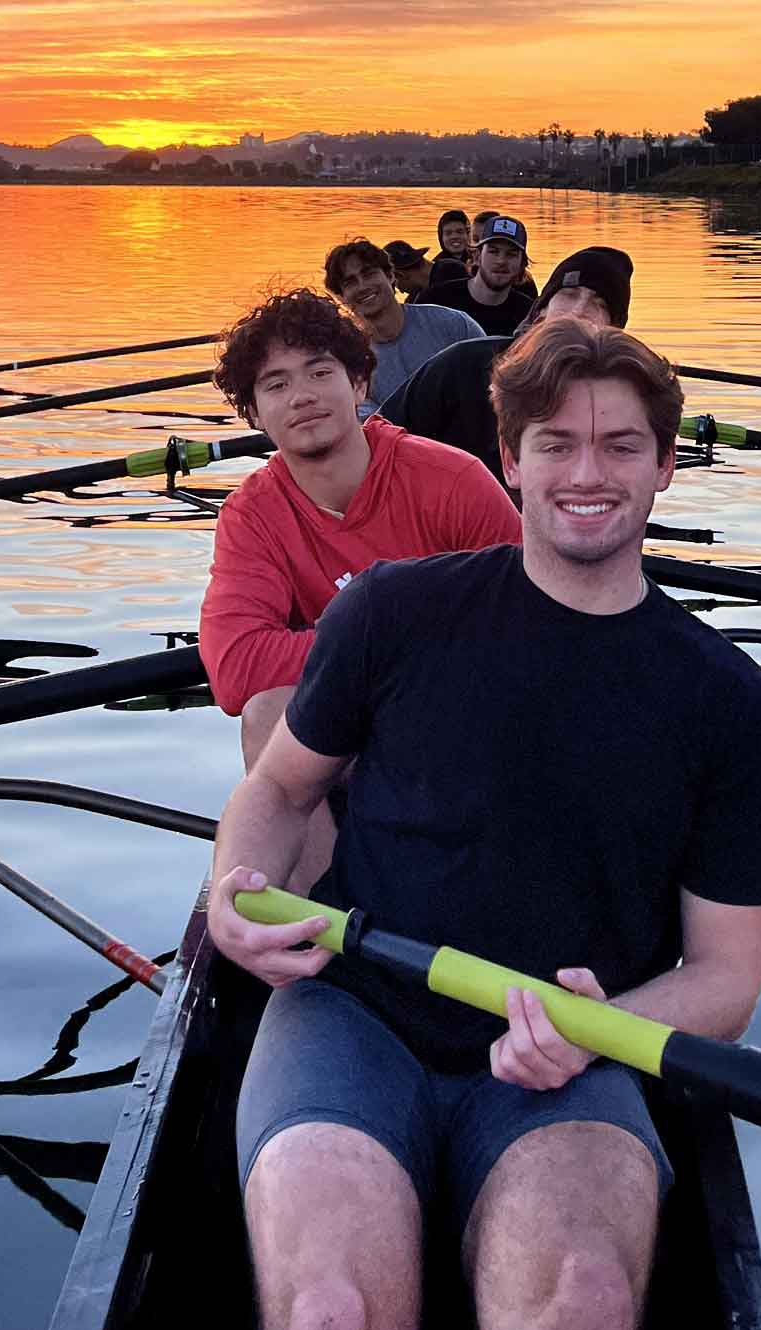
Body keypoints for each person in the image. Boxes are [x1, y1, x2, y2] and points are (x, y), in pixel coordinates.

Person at [207, 317, 761, 1330]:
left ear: (667, 467)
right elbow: (276, 790)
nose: (588, 475)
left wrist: (597, 1025)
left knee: (579, 1322)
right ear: (507, 461)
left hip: (568, 1052)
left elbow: (724, 982)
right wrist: (232, 902)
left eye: (623, 447)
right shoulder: (391, 616)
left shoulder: (727, 701)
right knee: (324, 1323)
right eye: (556, 445)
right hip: (355, 1016)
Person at [199, 287, 520, 884]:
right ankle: (323, 934)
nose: (302, 396)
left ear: (359, 384)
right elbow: (236, 669)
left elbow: (535, 626)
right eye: (276, 385)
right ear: (252, 415)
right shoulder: (252, 515)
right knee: (267, 713)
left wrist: (363, 651)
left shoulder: (453, 480)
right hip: (349, 737)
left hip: (463, 723)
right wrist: (393, 640)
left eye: (321, 371)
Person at [381, 244, 634, 488]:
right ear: (541, 310)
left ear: (613, 330)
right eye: (569, 295)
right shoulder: (465, 364)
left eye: (599, 304)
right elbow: (378, 438)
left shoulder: (615, 403)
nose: (579, 311)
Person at [323, 237, 482, 414]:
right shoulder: (349, 362)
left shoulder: (454, 325)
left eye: (369, 274)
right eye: (350, 282)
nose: (363, 286)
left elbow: (496, 382)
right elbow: (372, 426)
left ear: (391, 276)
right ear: (341, 297)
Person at [424, 214, 535, 337]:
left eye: (511, 254)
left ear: (522, 264)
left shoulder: (529, 315)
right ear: (477, 256)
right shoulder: (435, 300)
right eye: (493, 251)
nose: (501, 261)